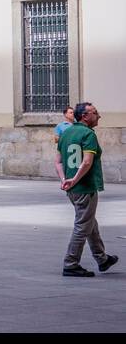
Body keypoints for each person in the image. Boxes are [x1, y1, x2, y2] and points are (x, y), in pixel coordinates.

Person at [57, 102, 118, 277]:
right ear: (84, 116)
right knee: (82, 225)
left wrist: (65, 181)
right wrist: (75, 179)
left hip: (72, 188)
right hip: (85, 186)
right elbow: (87, 161)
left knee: (90, 222)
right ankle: (71, 263)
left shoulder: (66, 133)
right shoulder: (88, 134)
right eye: (95, 113)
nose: (99, 116)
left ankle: (102, 258)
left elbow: (58, 162)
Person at [54, 104, 75, 183]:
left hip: (75, 148)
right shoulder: (60, 126)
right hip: (64, 148)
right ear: (65, 114)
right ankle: (63, 180)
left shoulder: (77, 124)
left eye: (73, 112)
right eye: (70, 112)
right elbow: (56, 139)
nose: (73, 114)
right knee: (58, 162)